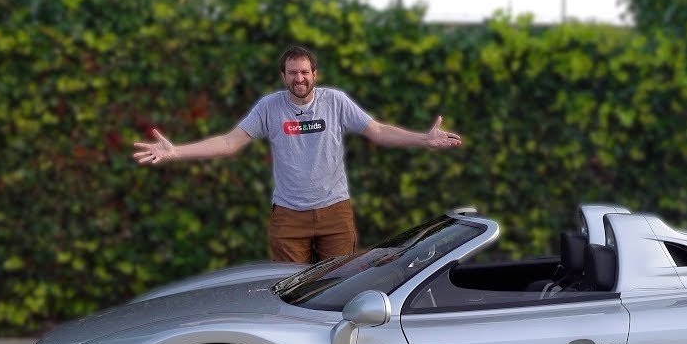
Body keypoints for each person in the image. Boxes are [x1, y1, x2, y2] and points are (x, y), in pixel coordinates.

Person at [132, 45, 462, 263]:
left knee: (338, 286)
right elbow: (230, 142)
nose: (299, 78)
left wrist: (424, 140)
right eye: (292, 73)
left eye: (305, 72)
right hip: (289, 216)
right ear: (284, 76)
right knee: (291, 293)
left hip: (335, 211)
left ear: (314, 74)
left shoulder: (335, 101)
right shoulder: (269, 107)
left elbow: (378, 131)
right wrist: (175, 152)